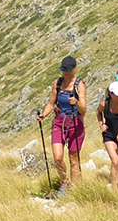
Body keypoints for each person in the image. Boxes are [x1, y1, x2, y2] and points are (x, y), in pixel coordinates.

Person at [37, 55, 86, 192]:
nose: (65, 71)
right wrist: (43, 115)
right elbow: (51, 103)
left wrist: (76, 102)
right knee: (58, 157)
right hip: (59, 121)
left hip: (75, 122)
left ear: (75, 69)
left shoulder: (79, 85)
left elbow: (84, 109)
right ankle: (65, 182)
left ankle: (75, 188)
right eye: (63, 68)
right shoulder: (57, 83)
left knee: (73, 158)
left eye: (68, 69)